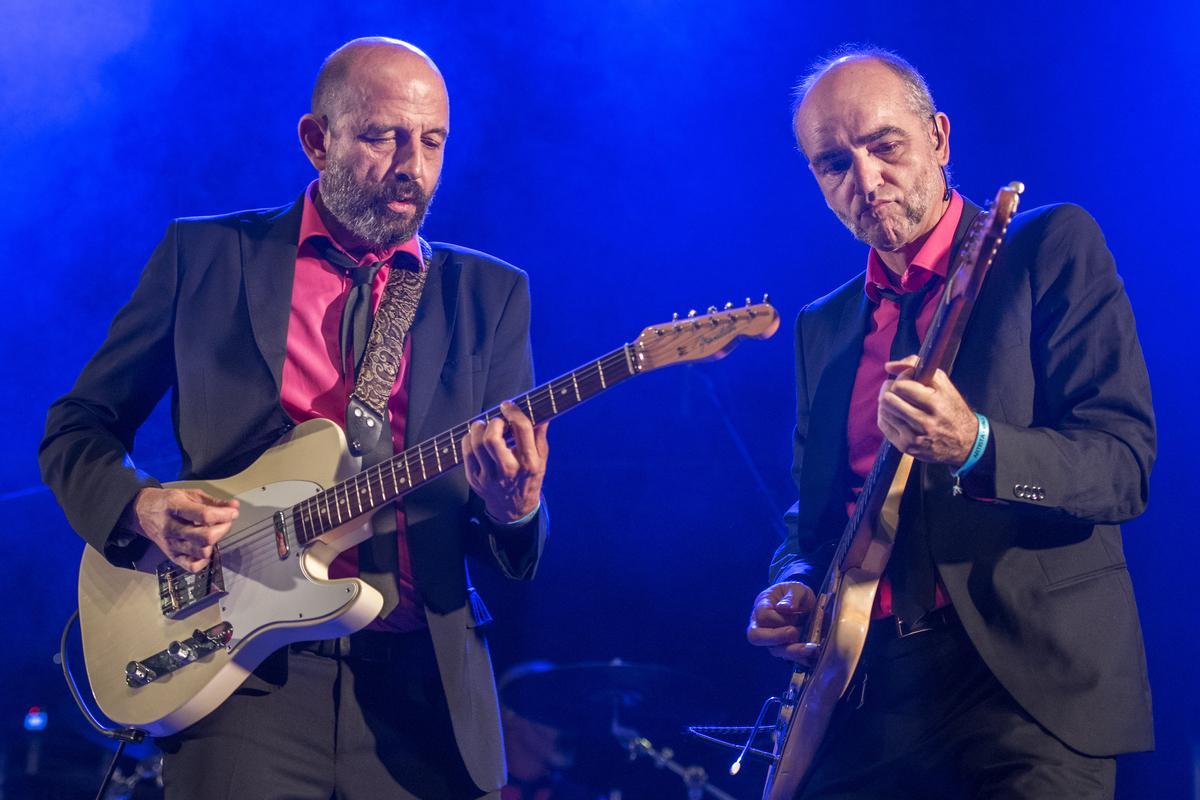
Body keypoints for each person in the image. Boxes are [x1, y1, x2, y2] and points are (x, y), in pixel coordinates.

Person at [40, 37, 550, 800]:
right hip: (243, 679)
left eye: (432, 140)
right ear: (317, 140)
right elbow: (77, 424)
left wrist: (518, 510)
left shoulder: (489, 295)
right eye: (383, 136)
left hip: (419, 692)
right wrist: (140, 505)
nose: (412, 164)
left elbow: (498, 521)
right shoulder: (206, 257)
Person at [745, 48, 1154, 799]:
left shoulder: (1046, 246)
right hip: (870, 693)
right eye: (834, 163)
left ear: (937, 137)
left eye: (885, 146)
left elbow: (1122, 465)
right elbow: (817, 513)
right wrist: (794, 582)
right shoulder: (824, 325)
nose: (866, 181)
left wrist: (977, 445)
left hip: (1025, 687)